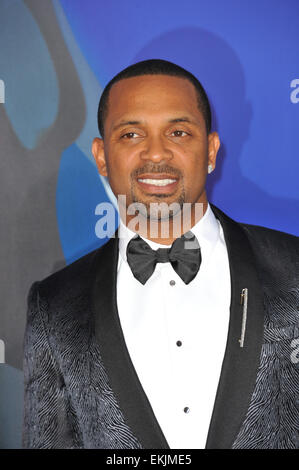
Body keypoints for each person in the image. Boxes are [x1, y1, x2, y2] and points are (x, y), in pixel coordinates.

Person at [23, 59, 299, 449]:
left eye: (179, 132)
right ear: (101, 157)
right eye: (132, 134)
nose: (156, 154)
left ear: (211, 150)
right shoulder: (54, 307)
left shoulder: (295, 271)